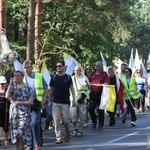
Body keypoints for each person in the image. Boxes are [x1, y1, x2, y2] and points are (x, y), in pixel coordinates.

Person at [23, 60, 48, 150]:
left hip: (36, 104)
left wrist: (44, 99)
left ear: (31, 68)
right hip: (25, 105)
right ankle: (29, 145)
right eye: (24, 68)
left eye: (27, 68)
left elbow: (46, 88)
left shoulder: (38, 76)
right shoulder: (22, 78)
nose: (26, 69)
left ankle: (37, 144)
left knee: (34, 123)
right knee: (27, 125)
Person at [48, 60, 75, 144]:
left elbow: (72, 88)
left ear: (64, 67)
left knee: (66, 120)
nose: (58, 68)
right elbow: (51, 89)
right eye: (57, 66)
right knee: (56, 120)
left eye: (60, 66)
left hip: (65, 102)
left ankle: (67, 134)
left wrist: (73, 99)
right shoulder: (53, 77)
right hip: (55, 102)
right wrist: (49, 100)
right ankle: (58, 137)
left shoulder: (68, 77)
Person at [6, 70, 33, 150]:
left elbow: (31, 102)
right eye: (15, 75)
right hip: (14, 113)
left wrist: (20, 102)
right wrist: (10, 84)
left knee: (21, 132)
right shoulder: (13, 87)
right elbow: (7, 97)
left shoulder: (28, 88)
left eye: (18, 75)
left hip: (24, 113)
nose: (16, 77)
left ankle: (22, 148)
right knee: (15, 133)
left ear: (22, 76)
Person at [88, 61, 109, 129]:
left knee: (101, 109)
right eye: (99, 66)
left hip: (101, 93)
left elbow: (107, 83)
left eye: (101, 66)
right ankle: (94, 122)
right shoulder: (93, 73)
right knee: (90, 108)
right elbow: (89, 81)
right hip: (93, 93)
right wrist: (89, 84)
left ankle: (101, 124)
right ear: (96, 67)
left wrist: (102, 84)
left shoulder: (104, 74)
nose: (100, 68)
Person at [70, 66, 89, 137]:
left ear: (81, 71)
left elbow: (89, 87)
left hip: (82, 99)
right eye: (76, 70)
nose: (77, 72)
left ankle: (80, 130)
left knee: (82, 117)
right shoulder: (71, 78)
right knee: (73, 116)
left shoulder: (84, 78)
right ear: (74, 71)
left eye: (79, 70)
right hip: (73, 99)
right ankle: (74, 129)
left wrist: (86, 82)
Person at [0, 76, 10, 146]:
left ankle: (6, 138)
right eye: (1, 83)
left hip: (6, 110)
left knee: (6, 126)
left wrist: (9, 86)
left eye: (3, 83)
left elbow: (8, 97)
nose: (2, 85)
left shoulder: (7, 91)